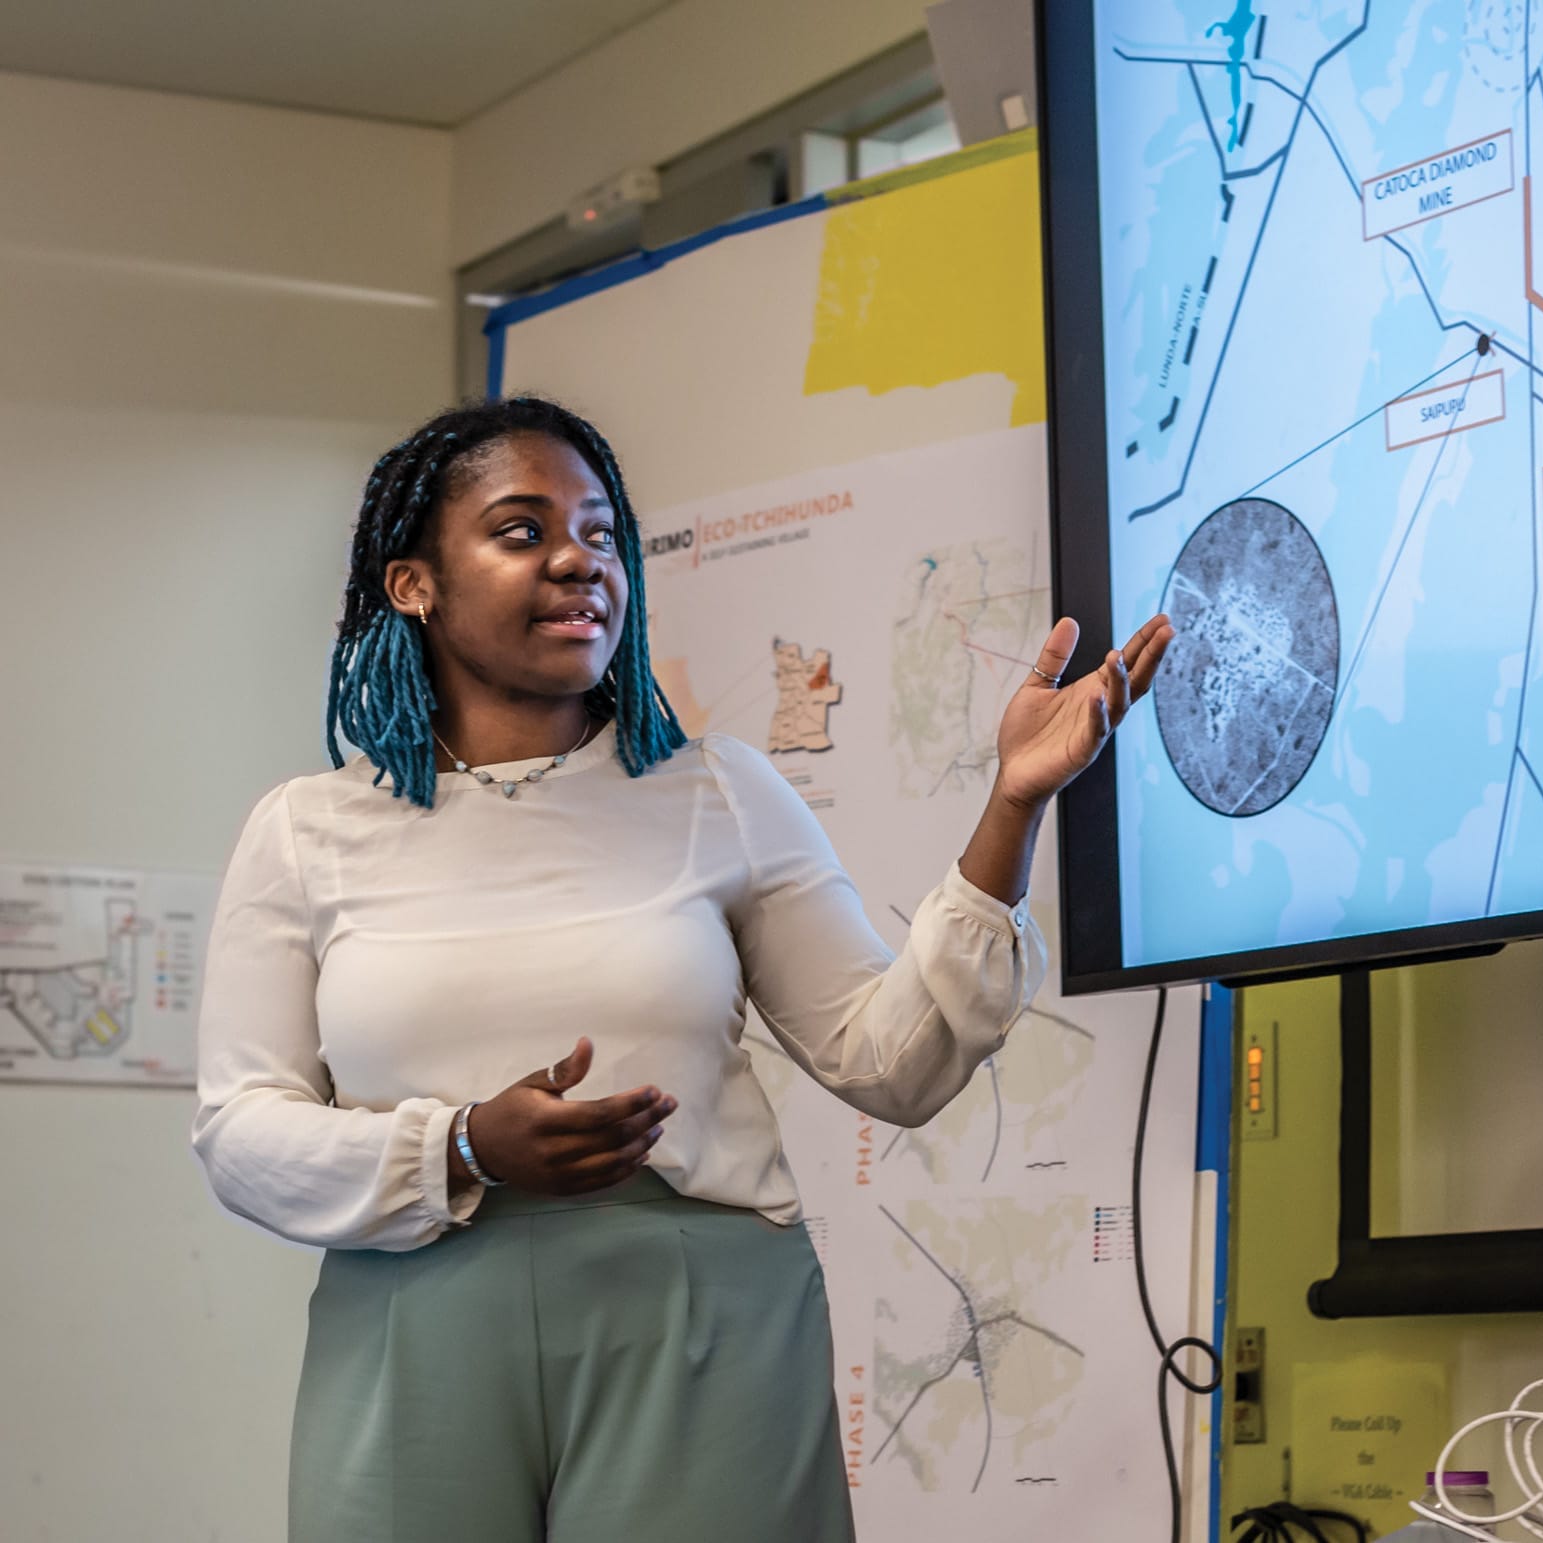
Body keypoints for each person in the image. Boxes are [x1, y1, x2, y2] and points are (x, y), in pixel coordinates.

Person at [189, 395, 1174, 1542]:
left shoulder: (720, 791)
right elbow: (241, 1131)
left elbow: (890, 1064)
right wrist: (458, 1145)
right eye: (522, 532)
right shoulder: (307, 829)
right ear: (414, 584)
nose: (578, 561)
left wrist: (1012, 804)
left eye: (602, 534)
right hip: (414, 1311)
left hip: (700, 1320)